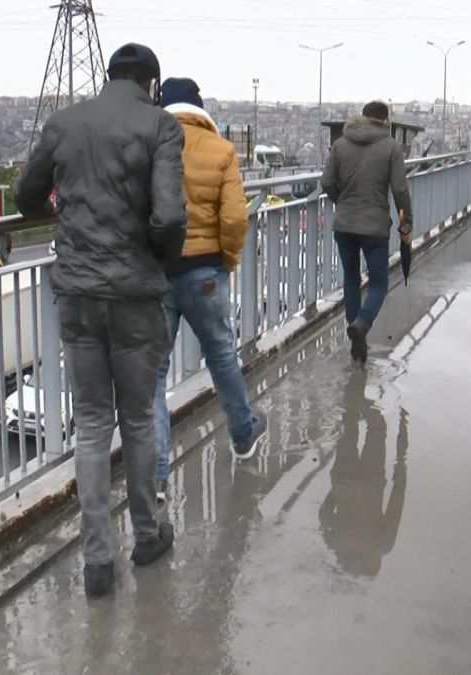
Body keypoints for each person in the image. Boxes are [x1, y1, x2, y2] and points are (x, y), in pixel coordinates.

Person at [13, 42, 186, 597]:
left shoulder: (65, 122)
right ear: (152, 84)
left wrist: (61, 216)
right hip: (135, 295)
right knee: (136, 421)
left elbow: (25, 197)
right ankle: (146, 534)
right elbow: (169, 215)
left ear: (109, 76)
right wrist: (160, 259)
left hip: (78, 294)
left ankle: (96, 563)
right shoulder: (160, 127)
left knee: (91, 426)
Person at [152, 78, 268, 502]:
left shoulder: (150, 148)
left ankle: (158, 476)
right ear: (200, 109)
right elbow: (236, 219)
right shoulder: (221, 150)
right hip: (205, 271)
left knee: (155, 373)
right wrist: (227, 261)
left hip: (157, 272)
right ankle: (243, 434)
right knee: (221, 356)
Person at [321, 100, 413, 362]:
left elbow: (327, 181)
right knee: (379, 283)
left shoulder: (340, 144)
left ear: (361, 118)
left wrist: (342, 202)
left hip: (345, 225)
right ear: (385, 122)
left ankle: (355, 340)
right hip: (375, 227)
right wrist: (406, 224)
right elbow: (400, 191)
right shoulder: (391, 147)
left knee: (351, 279)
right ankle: (361, 325)